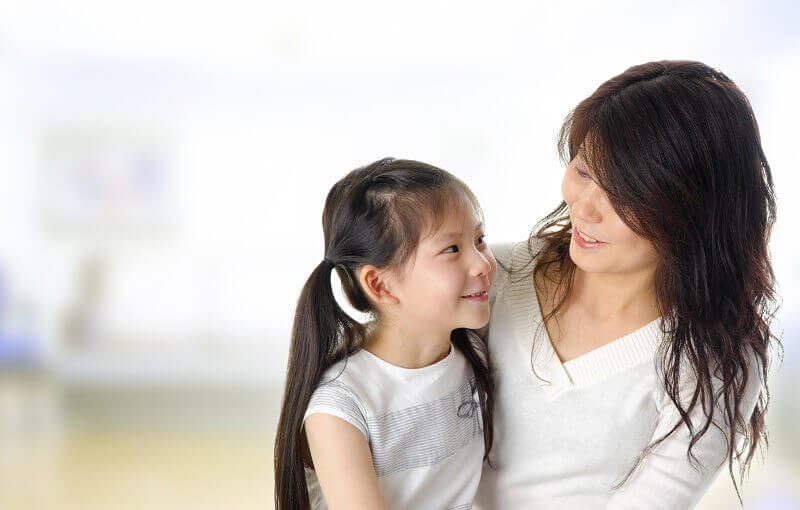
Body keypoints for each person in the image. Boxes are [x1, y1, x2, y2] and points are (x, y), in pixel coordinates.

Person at [475, 60, 778, 509]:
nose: (585, 209)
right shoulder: (487, 275)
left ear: (695, 211)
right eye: (582, 171)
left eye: (624, 194)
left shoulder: (711, 360)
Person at [274, 158, 498, 509]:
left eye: (480, 239)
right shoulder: (340, 407)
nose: (483, 263)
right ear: (380, 284)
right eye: (451, 249)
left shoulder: (475, 353)